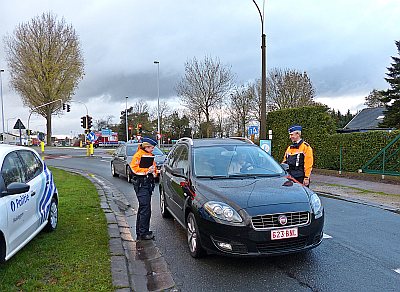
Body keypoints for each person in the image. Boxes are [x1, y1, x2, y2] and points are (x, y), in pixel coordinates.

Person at [130, 137, 158, 240]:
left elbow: (154, 170)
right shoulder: (138, 155)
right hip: (142, 185)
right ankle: (143, 233)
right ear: (146, 146)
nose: (153, 149)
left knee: (143, 208)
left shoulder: (149, 155)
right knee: (145, 208)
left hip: (147, 185)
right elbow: (134, 169)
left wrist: (155, 172)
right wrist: (147, 171)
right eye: (151, 147)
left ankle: (141, 231)